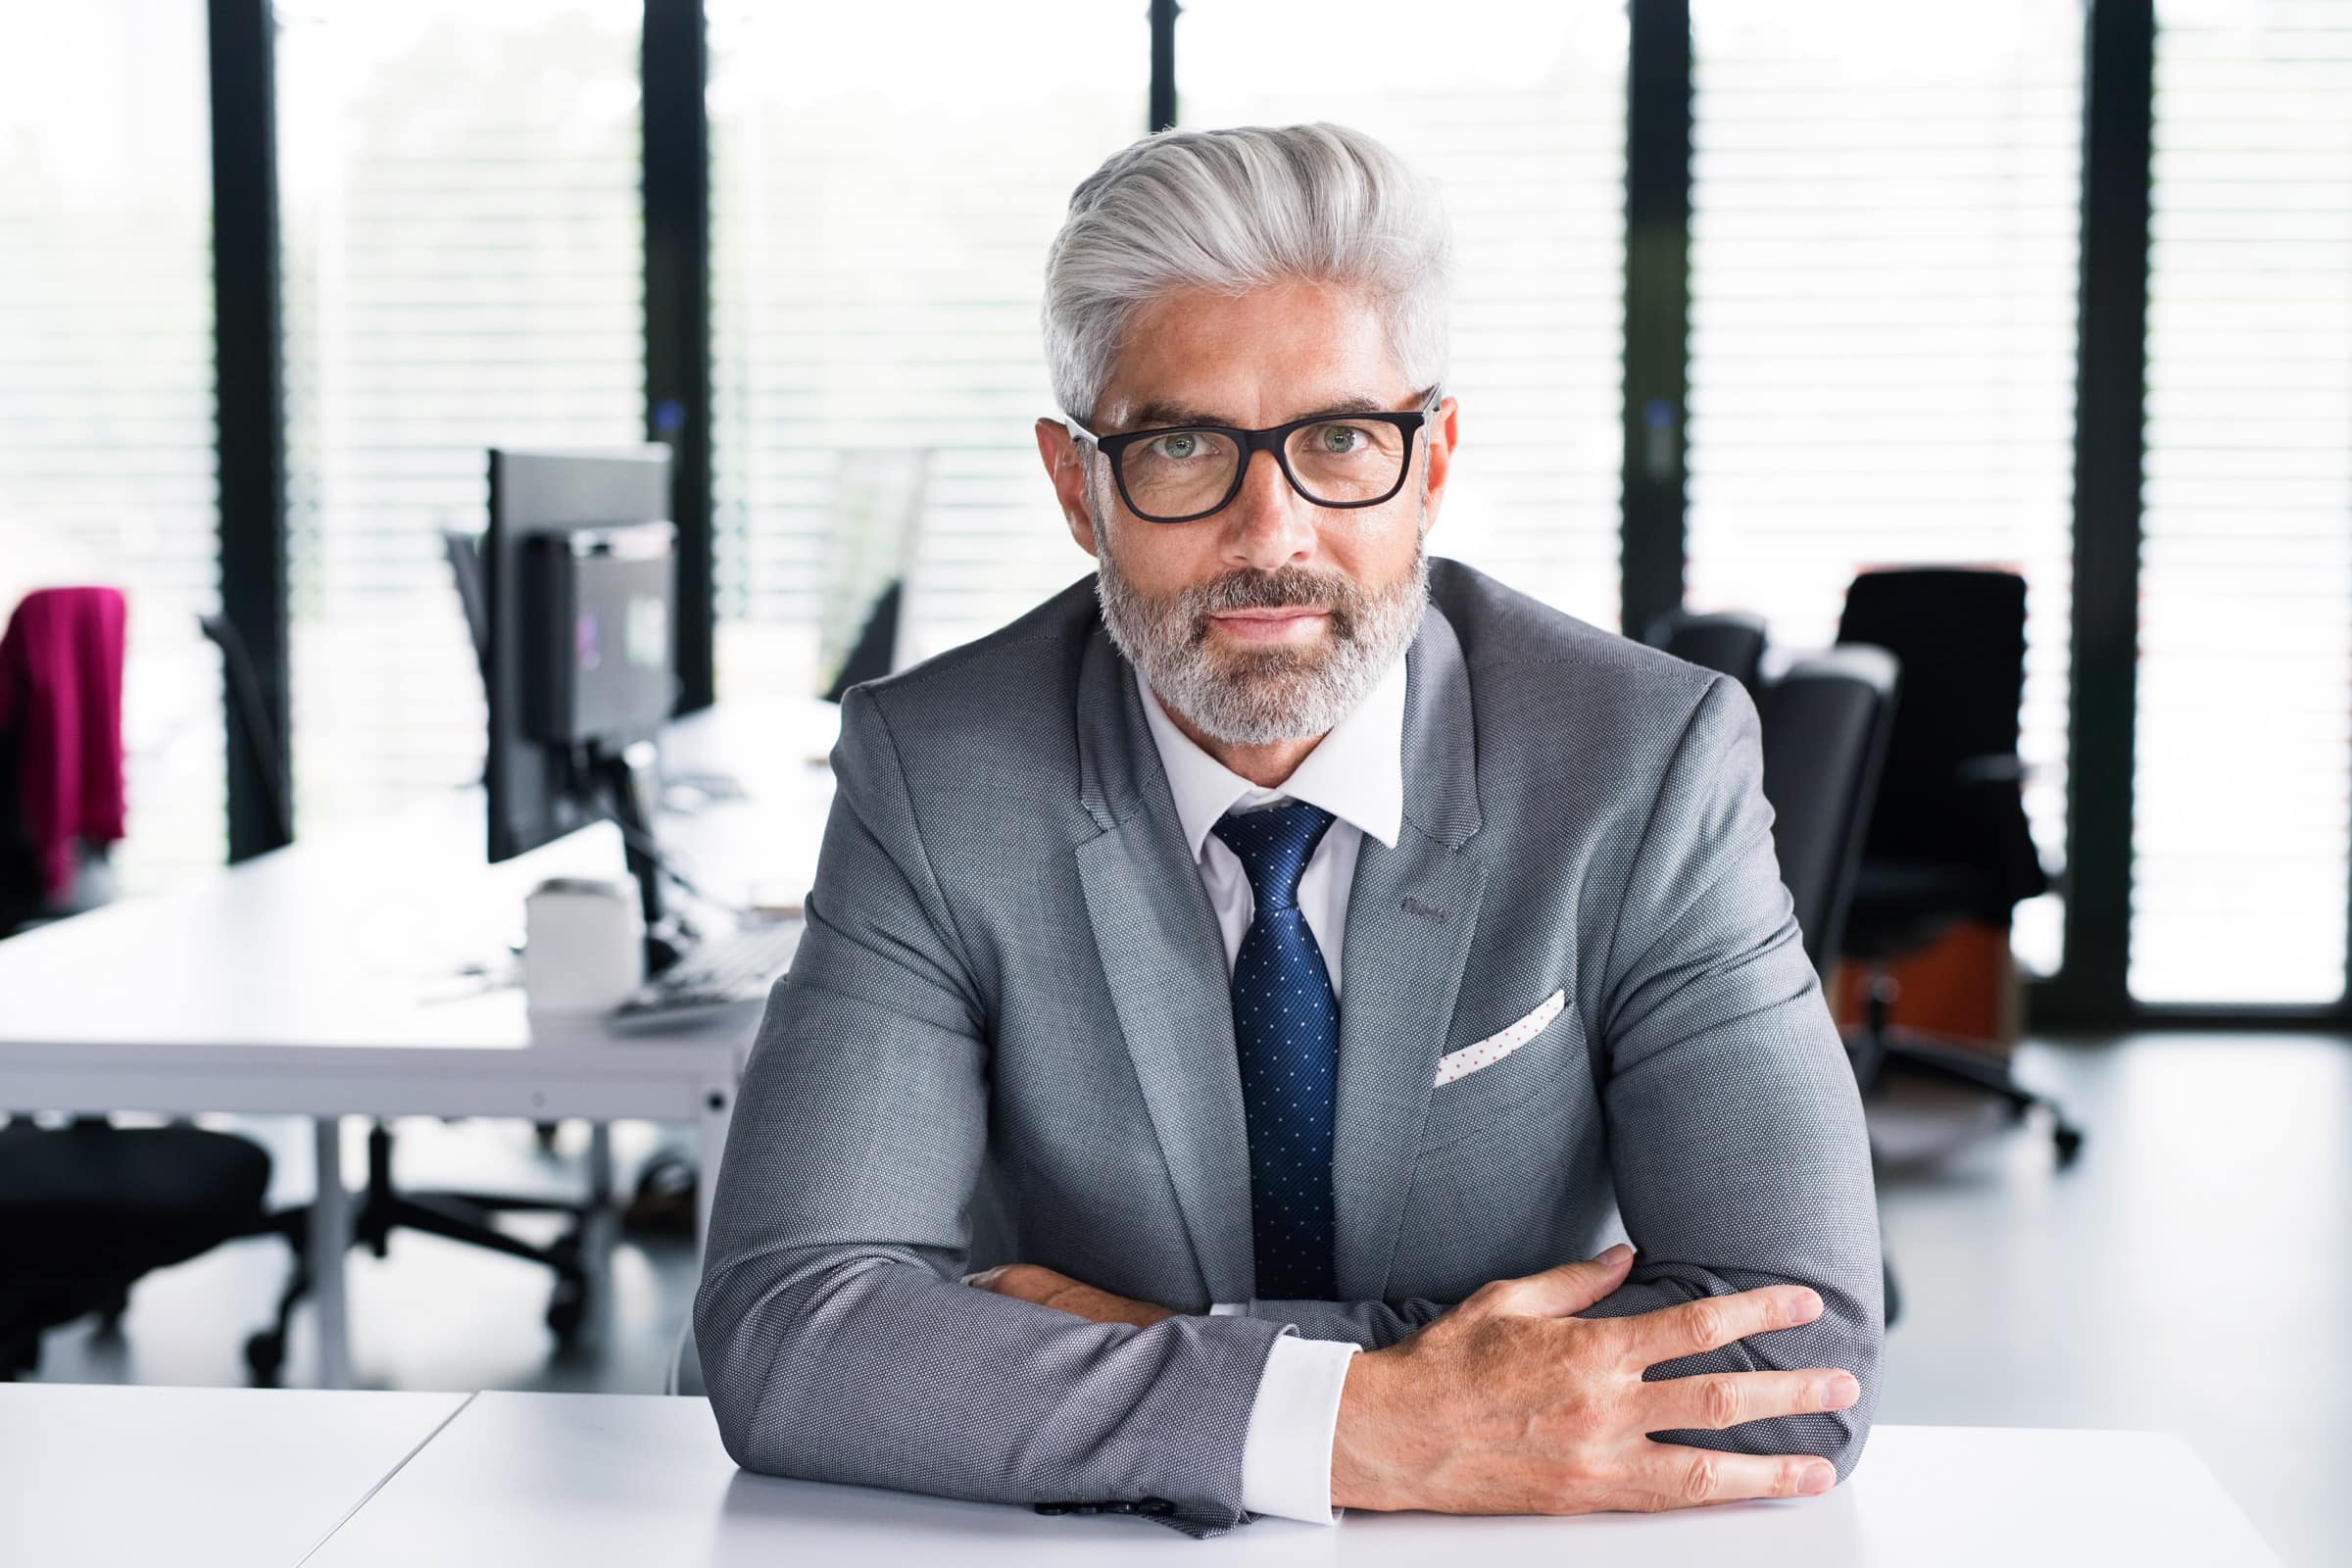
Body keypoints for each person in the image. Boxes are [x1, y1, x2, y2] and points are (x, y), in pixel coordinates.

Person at [696, 122, 1881, 1536]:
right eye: (1184, 445)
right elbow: (788, 1336)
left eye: (1340, 441)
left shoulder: (1641, 762)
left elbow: (1795, 1355)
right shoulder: (938, 774)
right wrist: (1384, 1418)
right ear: (1080, 488)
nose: (1274, 532)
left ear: (1431, 462)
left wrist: (1156, 1356)